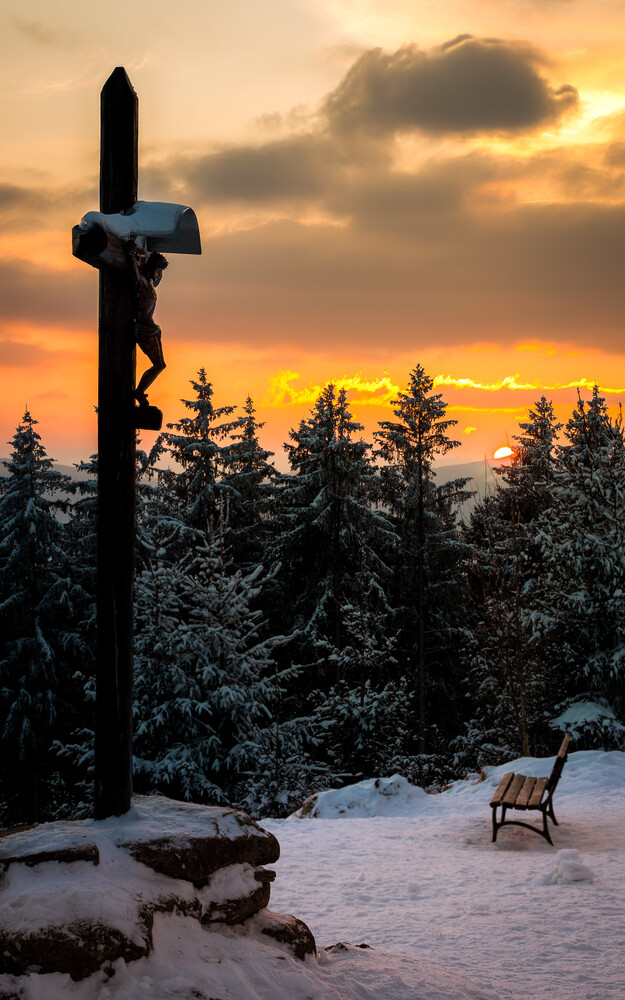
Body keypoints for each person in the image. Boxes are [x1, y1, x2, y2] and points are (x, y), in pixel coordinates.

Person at [125, 241, 169, 406]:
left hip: (151, 327)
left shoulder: (148, 282)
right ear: (152, 268)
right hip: (143, 327)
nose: (159, 274)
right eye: (158, 270)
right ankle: (139, 392)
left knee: (160, 364)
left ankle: (139, 391)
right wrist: (130, 254)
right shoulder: (142, 281)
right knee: (159, 365)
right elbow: (134, 272)